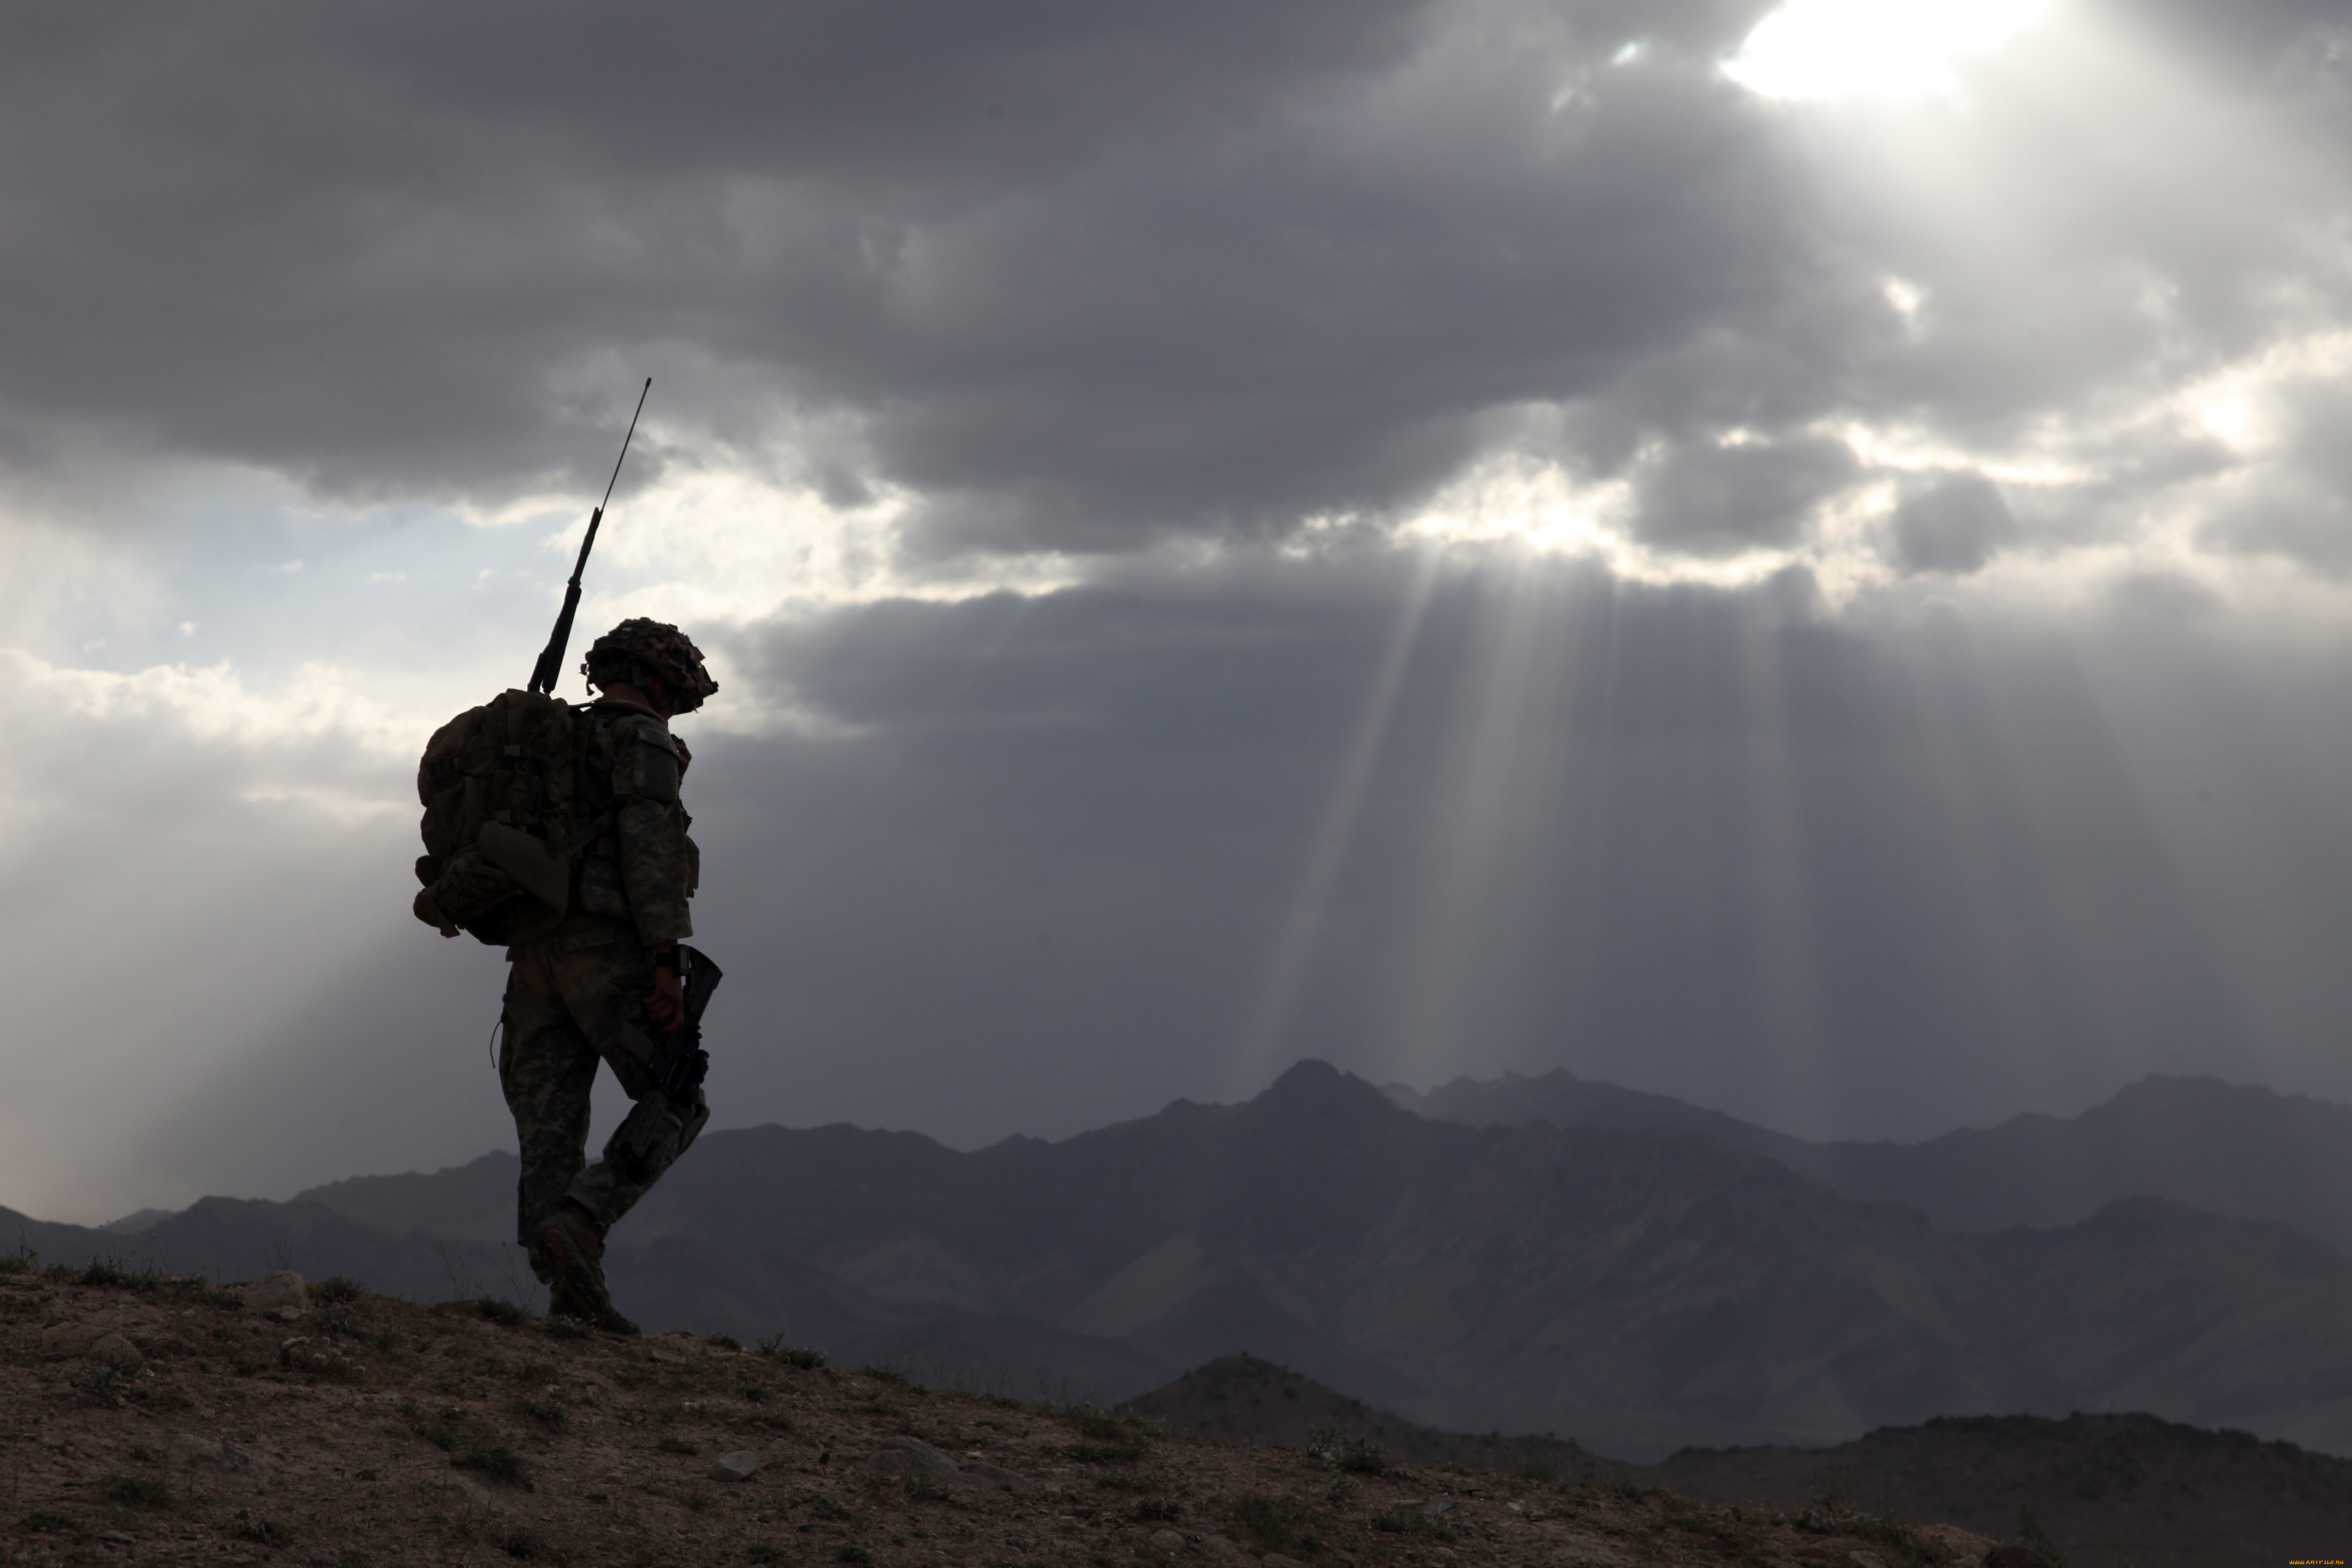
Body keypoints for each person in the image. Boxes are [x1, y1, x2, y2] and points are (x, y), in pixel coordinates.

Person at [498, 618, 718, 1332]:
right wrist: (665, 964)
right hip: (605, 951)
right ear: (658, 679)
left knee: (550, 1131)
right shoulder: (639, 737)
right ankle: (583, 1225)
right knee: (678, 1099)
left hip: (532, 954)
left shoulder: (551, 742)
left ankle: (571, 1295)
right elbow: (649, 854)